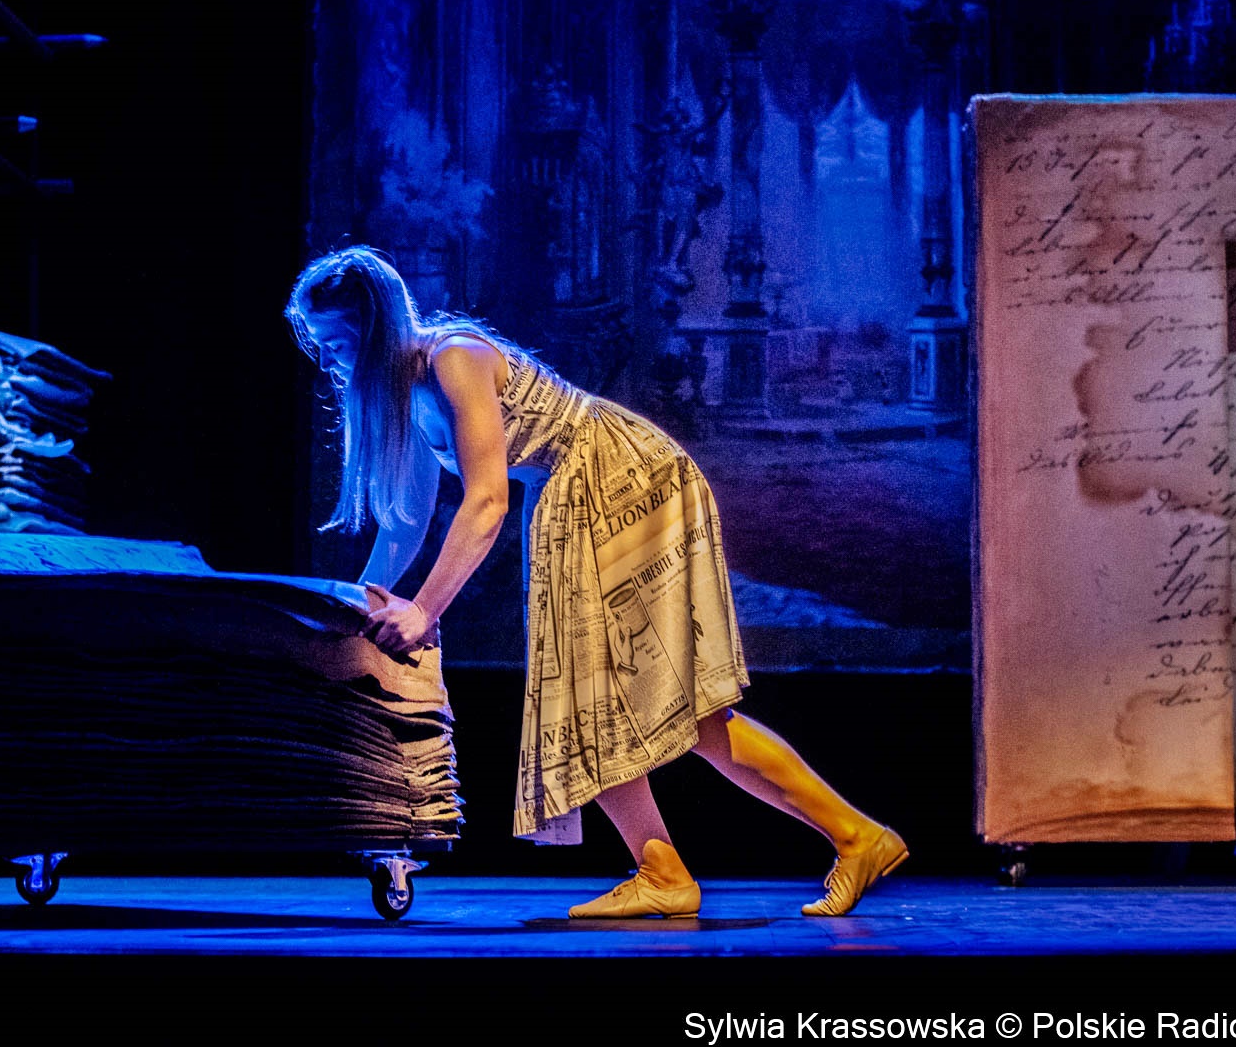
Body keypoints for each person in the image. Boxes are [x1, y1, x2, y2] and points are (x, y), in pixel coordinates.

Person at [286, 246, 906, 918]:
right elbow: (406, 520)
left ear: (376, 327)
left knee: (668, 706)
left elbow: (487, 501)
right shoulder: (408, 393)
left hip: (620, 481)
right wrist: (355, 606)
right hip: (574, 495)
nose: (332, 362)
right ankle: (666, 871)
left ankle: (854, 837)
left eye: (339, 343)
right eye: (323, 347)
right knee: (589, 702)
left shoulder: (453, 359)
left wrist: (424, 611)